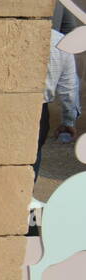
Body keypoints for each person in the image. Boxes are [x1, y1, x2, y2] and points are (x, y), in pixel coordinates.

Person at [35, 28, 80, 179]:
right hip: (38, 110)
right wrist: (68, 121)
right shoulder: (61, 41)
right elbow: (69, 89)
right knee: (32, 158)